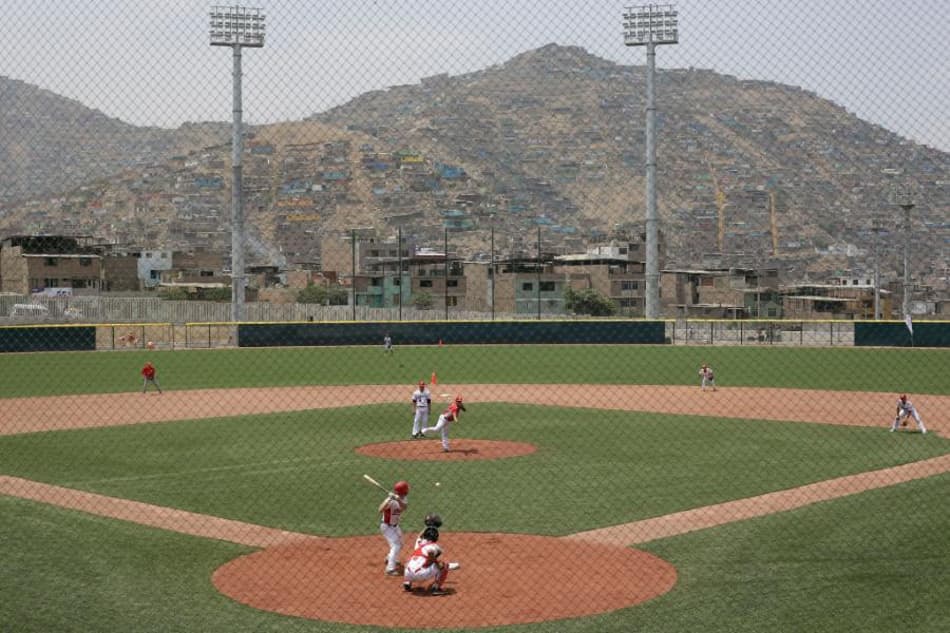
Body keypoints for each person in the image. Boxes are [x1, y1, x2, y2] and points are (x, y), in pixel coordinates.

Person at [403, 531, 450, 595]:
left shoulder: (419, 543)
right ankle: (436, 588)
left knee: (410, 561)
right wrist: (437, 563)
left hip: (407, 574)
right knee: (444, 565)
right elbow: (431, 553)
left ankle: (407, 583)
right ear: (436, 538)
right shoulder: (434, 546)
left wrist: (428, 527)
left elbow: (419, 536)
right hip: (421, 574)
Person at [379, 480, 410, 576]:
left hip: (395, 526)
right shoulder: (391, 501)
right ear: (404, 490)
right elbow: (380, 509)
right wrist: (388, 499)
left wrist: (398, 499)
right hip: (386, 526)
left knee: (400, 544)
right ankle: (390, 569)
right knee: (395, 546)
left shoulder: (404, 498)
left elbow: (404, 507)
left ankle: (389, 558)